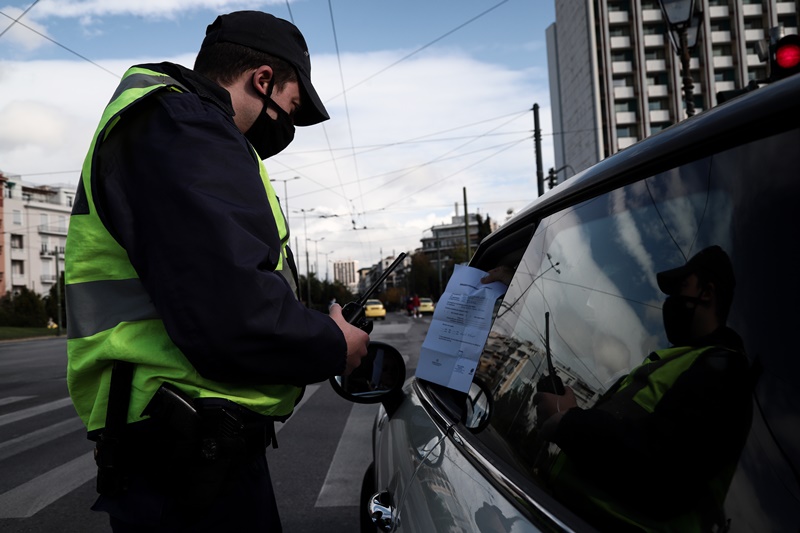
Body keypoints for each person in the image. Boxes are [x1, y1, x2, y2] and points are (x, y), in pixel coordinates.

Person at [64, 11, 370, 532]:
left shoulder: (173, 127)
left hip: (189, 440)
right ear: (264, 80)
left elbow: (216, 282)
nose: (286, 128)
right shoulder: (182, 126)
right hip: (184, 450)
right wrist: (334, 343)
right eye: (290, 110)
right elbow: (230, 312)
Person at [534, 246, 752, 531]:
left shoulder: (725, 373)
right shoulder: (686, 361)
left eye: (681, 287)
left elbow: (666, 472)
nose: (671, 301)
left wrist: (569, 421)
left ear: (707, 293)